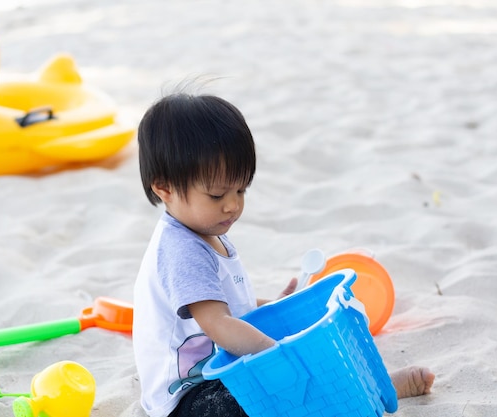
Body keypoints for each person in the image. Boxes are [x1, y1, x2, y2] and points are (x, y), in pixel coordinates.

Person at [132, 92, 434, 417]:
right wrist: (279, 354)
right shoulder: (182, 250)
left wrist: (269, 307)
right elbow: (218, 323)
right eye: (217, 194)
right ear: (164, 188)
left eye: (241, 190)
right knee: (280, 383)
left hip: (218, 372)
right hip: (190, 399)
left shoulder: (205, 228)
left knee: (299, 343)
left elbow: (223, 305)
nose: (233, 205)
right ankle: (359, 392)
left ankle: (368, 386)